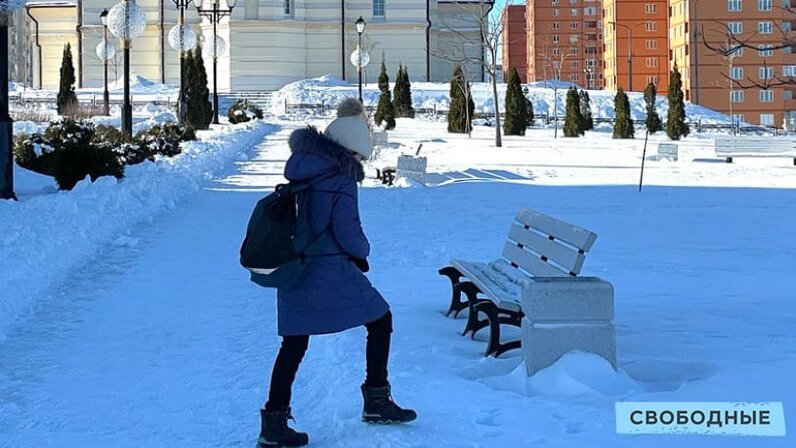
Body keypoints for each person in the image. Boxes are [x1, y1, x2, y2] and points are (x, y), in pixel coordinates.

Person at [256, 99, 416, 448]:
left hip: (296, 266)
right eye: (359, 155)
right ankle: (377, 400)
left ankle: (273, 422)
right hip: (326, 266)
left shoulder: (304, 167)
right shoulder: (340, 177)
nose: (360, 162)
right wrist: (364, 251)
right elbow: (347, 230)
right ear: (350, 149)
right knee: (381, 319)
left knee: (293, 343)